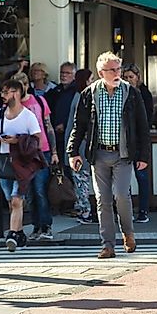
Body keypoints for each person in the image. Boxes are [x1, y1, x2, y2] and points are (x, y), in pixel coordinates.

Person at [67, 52, 151, 259]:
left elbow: (142, 126)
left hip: (123, 153)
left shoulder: (131, 92)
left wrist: (143, 156)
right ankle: (108, 244)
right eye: (111, 70)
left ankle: (128, 233)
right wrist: (73, 151)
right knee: (102, 200)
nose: (116, 73)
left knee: (121, 195)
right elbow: (80, 125)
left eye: (118, 69)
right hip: (99, 153)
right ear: (100, 72)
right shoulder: (90, 93)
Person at [0, 79, 44, 252]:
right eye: (3, 92)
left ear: (16, 93)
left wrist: (18, 140)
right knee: (11, 201)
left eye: (6, 92)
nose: (3, 96)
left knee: (16, 200)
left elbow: (37, 138)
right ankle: (20, 235)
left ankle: (12, 235)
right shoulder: (1, 113)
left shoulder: (28, 115)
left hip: (22, 162)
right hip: (5, 161)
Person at [11, 72, 58, 240]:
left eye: (22, 85)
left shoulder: (38, 101)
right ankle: (36, 226)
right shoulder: (12, 106)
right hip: (23, 153)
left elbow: (48, 126)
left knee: (39, 189)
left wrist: (54, 152)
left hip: (41, 150)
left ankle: (46, 226)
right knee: (29, 192)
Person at [123, 63, 154, 223]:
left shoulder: (144, 94)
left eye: (131, 77)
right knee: (124, 179)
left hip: (140, 141)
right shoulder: (121, 93)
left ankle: (143, 211)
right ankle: (125, 211)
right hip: (125, 141)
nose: (128, 80)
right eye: (125, 77)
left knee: (142, 177)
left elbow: (147, 119)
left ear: (137, 78)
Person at [65, 69, 96, 224]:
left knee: (81, 179)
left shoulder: (77, 97)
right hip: (82, 146)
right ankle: (85, 211)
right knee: (82, 179)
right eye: (90, 79)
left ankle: (84, 209)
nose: (92, 82)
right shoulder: (83, 98)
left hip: (76, 145)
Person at [44, 62, 77, 158]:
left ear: (74, 75)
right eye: (62, 73)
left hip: (71, 133)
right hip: (55, 134)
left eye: (67, 73)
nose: (64, 75)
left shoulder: (77, 92)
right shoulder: (55, 91)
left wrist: (65, 124)